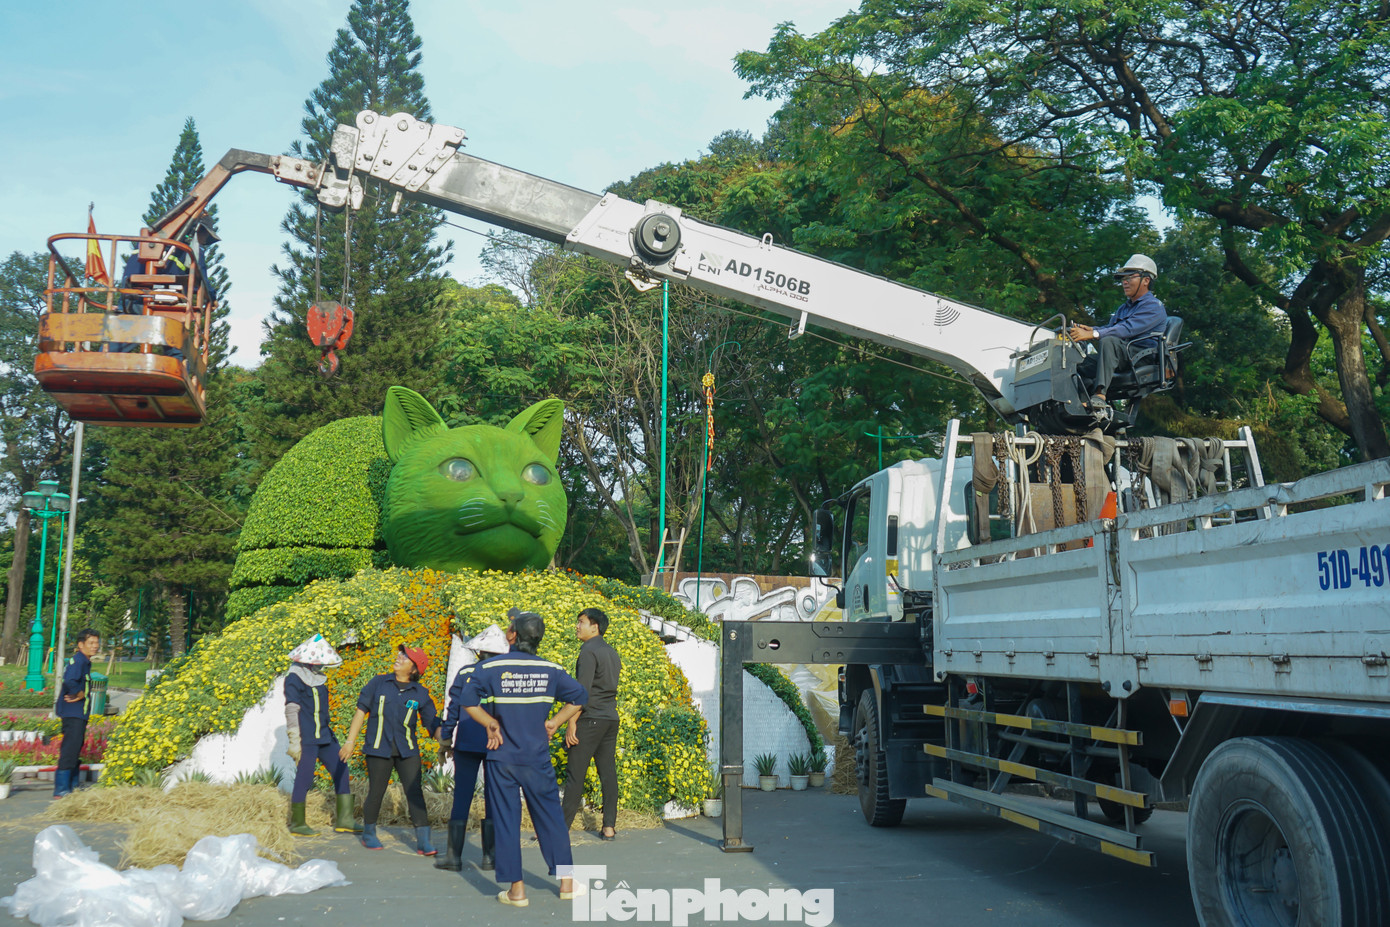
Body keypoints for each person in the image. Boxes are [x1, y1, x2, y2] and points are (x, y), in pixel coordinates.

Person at [457, 609, 588, 907]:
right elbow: (579, 697)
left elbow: (467, 701)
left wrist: (490, 723)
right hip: (537, 758)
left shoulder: (490, 667)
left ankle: (517, 891)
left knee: (505, 820)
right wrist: (555, 722)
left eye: (508, 626)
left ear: (512, 635)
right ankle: (567, 882)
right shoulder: (552, 669)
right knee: (551, 818)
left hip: (501, 758)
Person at [340, 645, 440, 854]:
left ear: (414, 669)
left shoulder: (420, 694)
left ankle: (424, 840)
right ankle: (369, 833)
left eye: (405, 657)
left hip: (408, 751)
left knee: (414, 793)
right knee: (376, 791)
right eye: (400, 653)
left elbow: (432, 723)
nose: (399, 657)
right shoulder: (378, 683)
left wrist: (445, 741)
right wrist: (350, 741)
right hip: (378, 749)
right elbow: (360, 712)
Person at [434, 624, 509, 872]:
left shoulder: (466, 673)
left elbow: (452, 709)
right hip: (496, 744)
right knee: (493, 798)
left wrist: (445, 740)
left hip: (466, 742)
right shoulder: (506, 675)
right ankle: (490, 858)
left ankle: (453, 857)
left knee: (462, 798)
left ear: (478, 652)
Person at [283, 633, 360, 837]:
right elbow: (292, 707)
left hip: (325, 736)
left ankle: (344, 819)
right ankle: (297, 823)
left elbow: (322, 712)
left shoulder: (318, 678)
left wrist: (332, 736)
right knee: (305, 777)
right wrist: (294, 738)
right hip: (307, 738)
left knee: (341, 768)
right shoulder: (294, 677)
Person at [1068, 254, 1168, 411]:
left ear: (1146, 280)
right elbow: (1112, 328)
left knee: (1109, 341)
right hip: (1121, 354)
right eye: (1123, 278)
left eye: (1130, 277)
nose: (1125, 282)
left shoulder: (1154, 306)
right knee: (1077, 363)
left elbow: (1126, 329)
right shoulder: (1124, 307)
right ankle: (1079, 404)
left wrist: (1094, 334)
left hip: (1141, 355)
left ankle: (1100, 395)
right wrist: (1093, 329)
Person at [561, 607, 622, 840]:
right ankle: (609, 826)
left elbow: (581, 692)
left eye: (581, 622)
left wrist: (571, 722)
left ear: (594, 626)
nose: (577, 626)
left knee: (575, 774)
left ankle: (560, 828)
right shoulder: (611, 651)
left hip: (591, 718)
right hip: (610, 718)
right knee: (607, 772)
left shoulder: (588, 651)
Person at [53, 629, 100, 798]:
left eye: (96, 643)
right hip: (73, 713)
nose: (95, 646)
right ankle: (61, 789)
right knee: (70, 749)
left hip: (80, 714)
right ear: (81, 645)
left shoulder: (85, 661)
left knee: (75, 748)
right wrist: (79, 694)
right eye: (91, 643)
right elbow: (70, 680)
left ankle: (72, 786)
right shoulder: (78, 661)